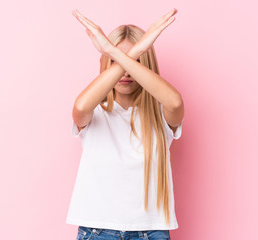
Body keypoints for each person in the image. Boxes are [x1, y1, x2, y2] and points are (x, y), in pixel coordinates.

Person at [67, 8, 184, 240]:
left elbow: (175, 102)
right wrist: (135, 52)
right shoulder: (95, 113)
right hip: (96, 230)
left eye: (138, 60)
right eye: (114, 60)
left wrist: (114, 52)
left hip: (151, 232)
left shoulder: (161, 113)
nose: (126, 72)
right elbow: (79, 108)